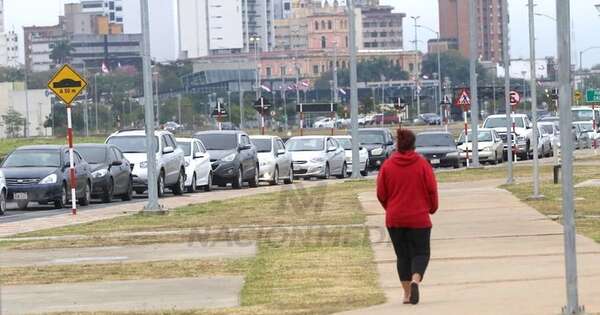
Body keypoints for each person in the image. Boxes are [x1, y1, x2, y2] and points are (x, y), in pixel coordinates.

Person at [376, 128, 439, 305]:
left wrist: (390, 208)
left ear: (397, 144)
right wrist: (432, 208)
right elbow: (431, 190)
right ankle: (415, 280)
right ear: (413, 144)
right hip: (419, 218)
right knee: (421, 253)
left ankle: (406, 295)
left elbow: (381, 193)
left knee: (402, 256)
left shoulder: (387, 165)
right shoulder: (422, 164)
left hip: (395, 218)